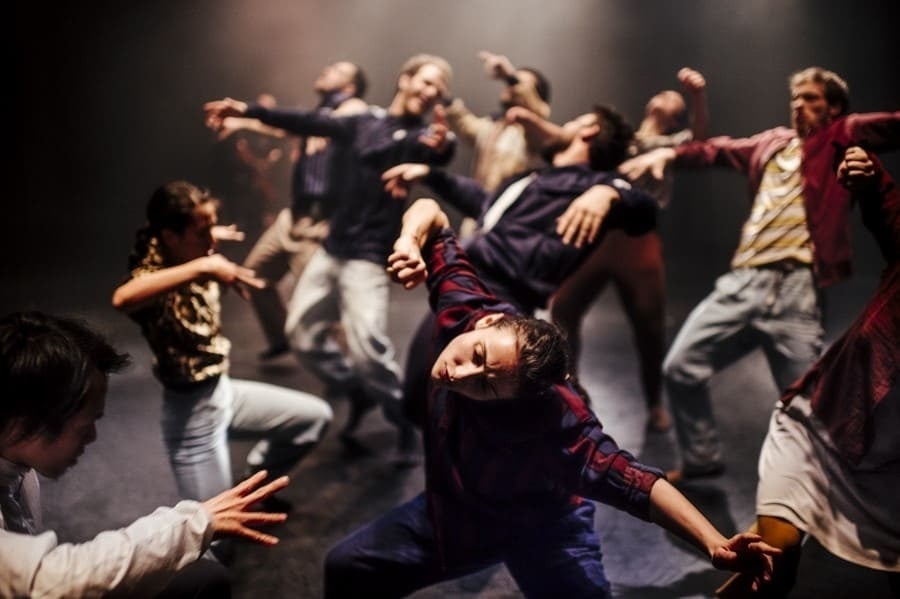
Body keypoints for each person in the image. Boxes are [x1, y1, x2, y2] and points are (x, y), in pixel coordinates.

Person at [322, 198, 781, 598]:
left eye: (484, 384)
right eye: (475, 356)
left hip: (542, 531)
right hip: (456, 514)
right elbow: (435, 219)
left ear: (510, 398)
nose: (460, 373)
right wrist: (408, 240)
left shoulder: (557, 428)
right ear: (485, 325)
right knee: (348, 568)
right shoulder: (471, 312)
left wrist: (714, 543)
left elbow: (637, 481)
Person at [620, 66, 900, 481]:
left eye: (811, 98)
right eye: (796, 98)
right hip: (743, 281)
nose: (799, 105)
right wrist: (669, 153)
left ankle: (823, 492)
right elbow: (714, 150)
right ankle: (702, 458)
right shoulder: (771, 144)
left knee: (808, 407)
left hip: (797, 289)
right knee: (680, 367)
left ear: (834, 107)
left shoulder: (843, 134)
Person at [204, 54, 455, 459]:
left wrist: (443, 147)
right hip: (331, 247)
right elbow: (305, 121)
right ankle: (357, 390)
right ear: (405, 79)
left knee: (368, 349)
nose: (431, 93)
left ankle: (405, 420)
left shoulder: (420, 137)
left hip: (368, 257)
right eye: (426, 82)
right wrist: (247, 110)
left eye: (439, 90)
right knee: (301, 337)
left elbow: (438, 151)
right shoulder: (363, 121)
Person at [383, 104, 657, 427]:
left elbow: (645, 211)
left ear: (590, 131)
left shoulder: (597, 184)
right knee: (420, 390)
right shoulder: (533, 177)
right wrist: (429, 174)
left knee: (450, 398)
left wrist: (610, 192)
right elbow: (486, 206)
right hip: (468, 278)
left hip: (499, 296)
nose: (562, 125)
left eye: (573, 119)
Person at [0, 310, 290, 598]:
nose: (92, 437)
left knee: (204, 575)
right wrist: (194, 523)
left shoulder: (18, 465)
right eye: (84, 426)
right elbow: (48, 581)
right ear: (22, 420)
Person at [717, 147, 900, 598]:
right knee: (772, 563)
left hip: (892, 474)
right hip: (823, 427)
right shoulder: (777, 146)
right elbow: (890, 218)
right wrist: (871, 175)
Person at [111, 180, 333, 511]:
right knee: (217, 543)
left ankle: (252, 483)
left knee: (314, 419)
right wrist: (204, 265)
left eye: (212, 228)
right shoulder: (155, 276)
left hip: (224, 394)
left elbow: (198, 249)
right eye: (201, 232)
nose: (211, 240)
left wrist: (207, 242)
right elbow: (122, 298)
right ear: (170, 237)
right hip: (192, 419)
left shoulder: (195, 249)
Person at [550, 67, 708, 433]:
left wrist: (698, 97)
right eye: (666, 94)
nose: (667, 96)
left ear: (675, 118)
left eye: (675, 100)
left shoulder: (671, 146)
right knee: (563, 308)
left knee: (649, 327)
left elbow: (701, 143)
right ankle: (569, 389)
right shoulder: (624, 139)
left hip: (638, 241)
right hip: (599, 236)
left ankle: (654, 404)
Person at [208, 63, 371, 361]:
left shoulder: (353, 111)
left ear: (350, 87)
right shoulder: (318, 117)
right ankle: (283, 338)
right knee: (254, 275)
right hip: (293, 217)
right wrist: (242, 124)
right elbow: (288, 126)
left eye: (337, 70)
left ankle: (350, 370)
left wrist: (248, 111)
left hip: (321, 224)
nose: (327, 69)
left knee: (324, 303)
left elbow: (304, 122)